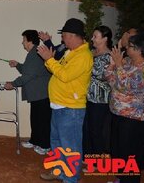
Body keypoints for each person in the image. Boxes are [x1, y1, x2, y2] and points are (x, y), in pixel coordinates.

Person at [37, 18, 93, 183]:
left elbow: (65, 75)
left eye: (65, 36)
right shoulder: (72, 52)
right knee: (57, 143)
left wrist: (49, 60)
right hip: (60, 105)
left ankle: (70, 178)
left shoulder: (83, 56)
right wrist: (50, 61)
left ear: (75, 36)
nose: (63, 39)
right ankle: (60, 171)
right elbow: (57, 71)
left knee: (70, 147)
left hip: (71, 108)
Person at [105, 33, 144, 183]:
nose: (126, 48)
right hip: (118, 114)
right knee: (118, 152)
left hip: (134, 119)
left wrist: (118, 65)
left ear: (139, 49)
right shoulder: (129, 62)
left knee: (129, 156)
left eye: (130, 46)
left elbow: (127, 86)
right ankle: (120, 179)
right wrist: (113, 64)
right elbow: (111, 80)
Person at [5, 30, 51, 155]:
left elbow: (28, 75)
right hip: (37, 94)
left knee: (42, 121)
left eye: (24, 40)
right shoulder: (33, 53)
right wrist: (17, 65)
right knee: (36, 119)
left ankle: (45, 145)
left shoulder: (35, 54)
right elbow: (28, 70)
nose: (22, 42)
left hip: (42, 94)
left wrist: (12, 84)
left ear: (30, 41)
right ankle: (35, 140)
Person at [83, 26, 112, 163]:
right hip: (88, 97)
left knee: (97, 131)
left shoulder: (109, 56)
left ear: (105, 39)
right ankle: (88, 158)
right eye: (92, 36)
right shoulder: (91, 52)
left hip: (100, 100)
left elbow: (102, 75)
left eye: (95, 36)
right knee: (88, 129)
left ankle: (97, 162)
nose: (92, 39)